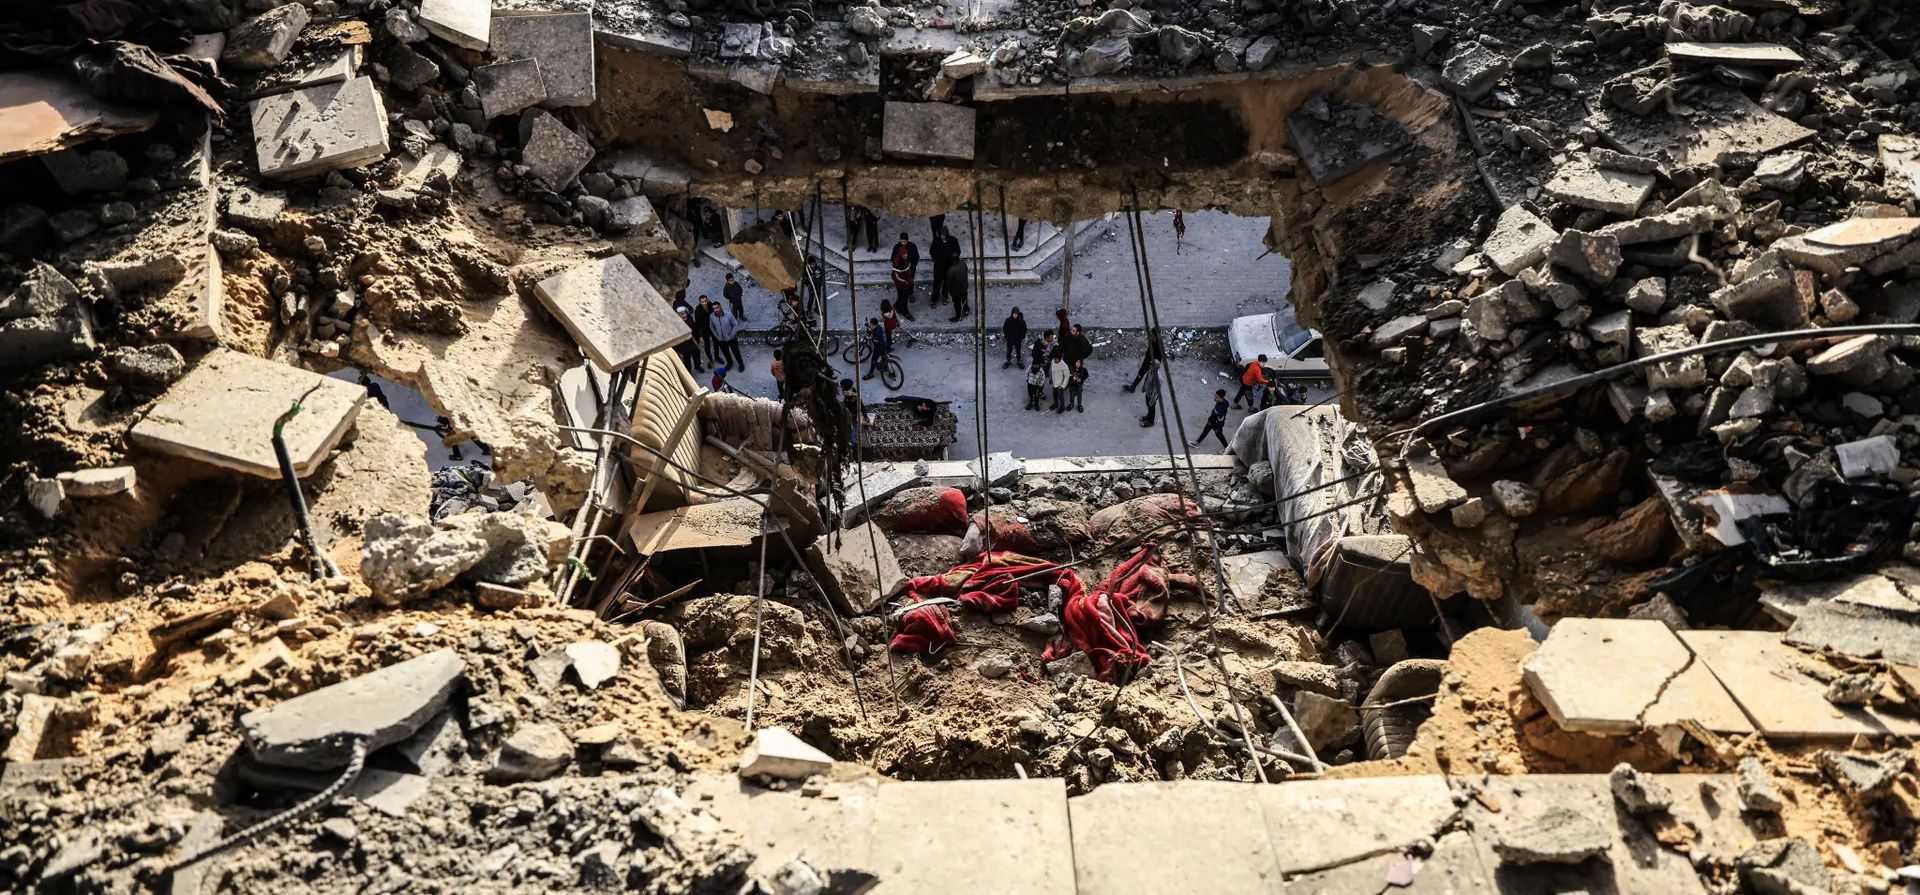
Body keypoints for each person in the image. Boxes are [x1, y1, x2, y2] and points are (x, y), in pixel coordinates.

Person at [890, 232, 919, 319]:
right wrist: (904, 281)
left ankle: (895, 309)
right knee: (903, 296)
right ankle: (903, 311)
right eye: (901, 241)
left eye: (904, 241)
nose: (906, 256)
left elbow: (915, 258)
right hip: (902, 282)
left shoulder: (911, 248)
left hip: (907, 278)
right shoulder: (897, 263)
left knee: (904, 296)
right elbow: (895, 275)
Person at [708, 302, 744, 370]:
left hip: (731, 338)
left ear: (720, 307)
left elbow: (735, 325)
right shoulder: (712, 316)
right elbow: (711, 326)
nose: (716, 310)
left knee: (736, 351)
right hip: (721, 339)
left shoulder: (728, 315)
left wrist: (731, 335)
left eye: (717, 307)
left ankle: (740, 363)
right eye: (714, 309)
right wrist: (716, 335)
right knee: (725, 352)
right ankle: (730, 363)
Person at [929, 228, 959, 308]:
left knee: (947, 283)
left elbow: (957, 251)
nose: (942, 236)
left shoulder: (953, 240)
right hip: (938, 267)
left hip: (949, 267)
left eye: (944, 235)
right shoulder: (936, 241)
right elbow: (932, 251)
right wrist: (935, 259)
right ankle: (934, 299)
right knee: (937, 284)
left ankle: (945, 296)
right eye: (941, 235)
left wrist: (953, 258)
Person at [672, 306, 702, 373]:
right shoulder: (676, 324)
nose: (684, 315)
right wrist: (677, 350)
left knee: (697, 356)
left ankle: (698, 366)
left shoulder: (690, 318)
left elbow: (696, 328)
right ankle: (689, 372)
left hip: (693, 343)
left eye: (685, 313)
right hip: (684, 347)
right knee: (687, 361)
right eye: (681, 314)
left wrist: (700, 336)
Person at [1138, 358, 1162, 427]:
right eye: (1150, 365)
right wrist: (1143, 387)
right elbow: (1146, 379)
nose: (1150, 366)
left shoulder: (1158, 378)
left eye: (1152, 366)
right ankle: (1148, 416)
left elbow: (1156, 391)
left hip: (1152, 395)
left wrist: (1152, 400)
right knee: (1148, 406)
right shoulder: (1150, 371)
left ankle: (1151, 422)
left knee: (1151, 407)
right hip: (1148, 393)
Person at [946, 255, 970, 322]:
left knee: (957, 304)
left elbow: (949, 282)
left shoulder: (951, 271)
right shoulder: (963, 263)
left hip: (956, 291)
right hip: (964, 286)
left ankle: (958, 316)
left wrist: (950, 291)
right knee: (964, 299)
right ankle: (966, 310)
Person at [693, 296, 715, 365]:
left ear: (707, 300)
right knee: (707, 346)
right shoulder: (698, 311)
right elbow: (697, 324)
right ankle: (710, 359)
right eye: (702, 302)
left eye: (705, 301)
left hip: (713, 328)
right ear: (700, 302)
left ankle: (717, 357)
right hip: (705, 330)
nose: (704, 303)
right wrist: (700, 336)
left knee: (717, 343)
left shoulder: (711, 305)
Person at [1048, 349, 1070, 414]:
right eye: (1054, 358)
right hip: (1054, 382)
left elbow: (1067, 377)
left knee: (1060, 397)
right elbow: (1051, 371)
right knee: (1054, 395)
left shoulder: (1064, 366)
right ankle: (1056, 403)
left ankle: (1062, 407)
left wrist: (1063, 386)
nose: (1054, 360)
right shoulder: (1053, 361)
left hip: (1060, 385)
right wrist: (1051, 379)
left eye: (1056, 359)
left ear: (1060, 359)